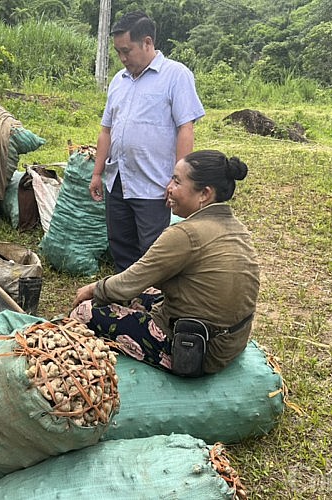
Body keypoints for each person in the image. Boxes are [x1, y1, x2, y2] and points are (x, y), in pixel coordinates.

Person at [72, 150, 259, 375]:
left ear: (205, 193)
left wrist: (93, 289)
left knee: (86, 312)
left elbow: (128, 282)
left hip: (195, 350)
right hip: (230, 343)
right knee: (144, 294)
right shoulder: (236, 227)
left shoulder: (185, 234)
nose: (168, 187)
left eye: (177, 182)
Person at [90, 11, 205, 273]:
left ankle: (153, 307)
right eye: (118, 52)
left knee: (153, 252)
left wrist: (179, 180)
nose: (122, 58)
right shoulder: (118, 81)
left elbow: (185, 129)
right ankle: (125, 305)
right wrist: (98, 173)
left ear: (147, 43)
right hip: (117, 180)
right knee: (120, 245)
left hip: (153, 184)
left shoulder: (176, 75)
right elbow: (106, 130)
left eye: (127, 51)